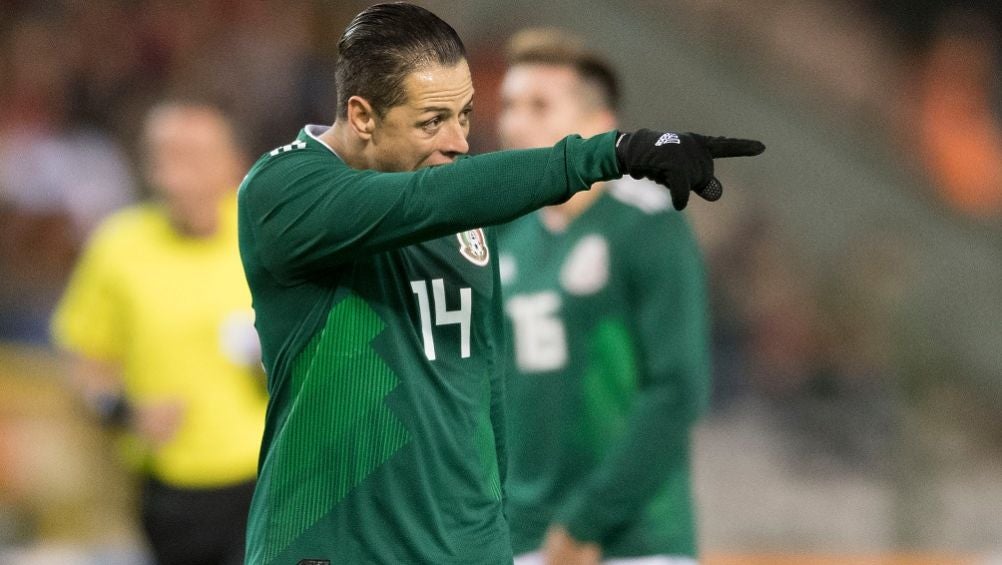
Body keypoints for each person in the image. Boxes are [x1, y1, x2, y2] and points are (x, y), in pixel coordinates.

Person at [237, 3, 764, 564]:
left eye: (465, 115)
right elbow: (419, 202)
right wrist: (609, 154)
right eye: (431, 121)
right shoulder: (286, 189)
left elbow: (484, 391)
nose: (460, 142)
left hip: (470, 548)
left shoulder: (470, 211)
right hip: (338, 548)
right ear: (363, 116)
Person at [495, 30, 711, 565]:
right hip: (523, 535)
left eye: (539, 106)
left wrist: (589, 519)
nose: (515, 123)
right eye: (509, 105)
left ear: (598, 126)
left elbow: (677, 389)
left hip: (631, 542)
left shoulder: (645, 225)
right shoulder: (502, 231)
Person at [51, 101, 267, 565]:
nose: (178, 173)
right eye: (166, 156)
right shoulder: (119, 246)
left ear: (233, 163)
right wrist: (120, 410)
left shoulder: (269, 237)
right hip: (168, 484)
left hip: (268, 473)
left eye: (195, 155)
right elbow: (86, 360)